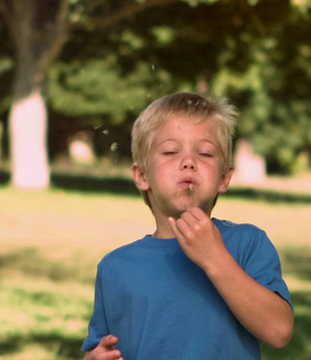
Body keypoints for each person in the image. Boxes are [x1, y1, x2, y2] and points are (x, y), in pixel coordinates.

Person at [82, 92, 294, 359]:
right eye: (170, 152)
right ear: (141, 175)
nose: (188, 162)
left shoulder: (247, 243)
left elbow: (279, 331)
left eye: (205, 153)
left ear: (224, 177)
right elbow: (101, 347)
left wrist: (215, 258)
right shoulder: (115, 267)